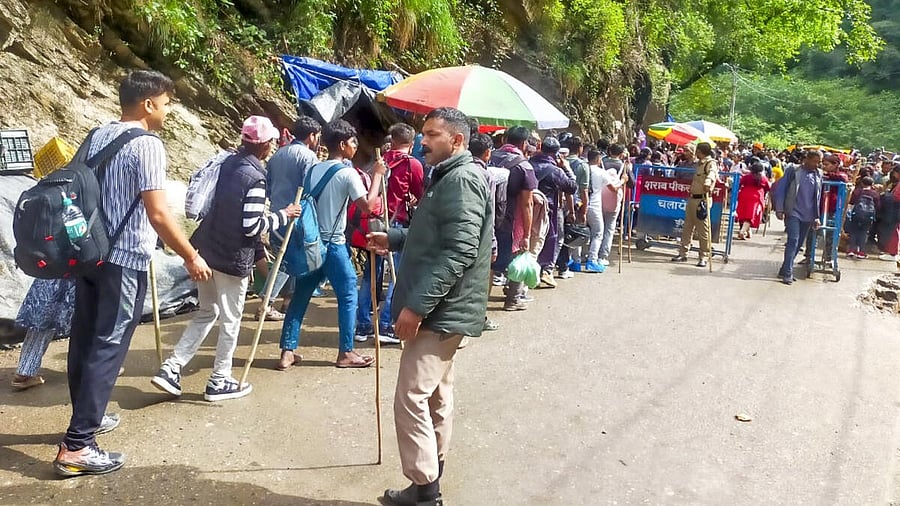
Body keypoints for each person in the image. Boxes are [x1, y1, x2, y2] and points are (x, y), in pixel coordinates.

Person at [54, 70, 213, 477]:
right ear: (147, 104)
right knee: (109, 344)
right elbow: (158, 213)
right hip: (124, 260)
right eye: (166, 101)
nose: (169, 108)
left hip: (88, 254)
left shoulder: (97, 134)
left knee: (86, 338)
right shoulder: (147, 145)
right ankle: (78, 445)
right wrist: (191, 255)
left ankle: (86, 419)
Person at [366, 107, 493, 506]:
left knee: (410, 398)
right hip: (441, 307)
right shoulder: (446, 177)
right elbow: (434, 234)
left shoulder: (462, 180)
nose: (424, 141)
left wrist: (416, 307)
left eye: (432, 134)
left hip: (440, 310)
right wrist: (396, 238)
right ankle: (429, 477)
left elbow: (459, 250)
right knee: (435, 394)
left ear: (456, 140)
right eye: (424, 133)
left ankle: (425, 492)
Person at [152, 116, 301, 401]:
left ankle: (171, 368)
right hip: (232, 258)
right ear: (265, 144)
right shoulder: (255, 176)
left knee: (207, 312)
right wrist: (284, 216)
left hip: (206, 250)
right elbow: (252, 226)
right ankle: (219, 380)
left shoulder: (228, 162)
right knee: (230, 320)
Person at [278, 119, 384, 369]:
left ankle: (287, 351)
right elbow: (368, 207)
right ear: (342, 144)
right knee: (348, 293)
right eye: (353, 141)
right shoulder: (347, 173)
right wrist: (377, 176)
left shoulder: (313, 169)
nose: (355, 146)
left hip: (311, 243)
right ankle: (346, 352)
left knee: (300, 296)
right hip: (334, 245)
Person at [356, 123, 425, 344]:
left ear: (392, 140)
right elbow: (419, 194)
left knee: (370, 276)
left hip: (374, 222)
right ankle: (386, 325)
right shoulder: (412, 164)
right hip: (398, 225)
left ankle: (363, 325)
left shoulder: (379, 161)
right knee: (397, 275)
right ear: (411, 143)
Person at [259, 115, 322, 322]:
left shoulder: (278, 154)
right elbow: (311, 189)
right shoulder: (308, 157)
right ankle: (266, 303)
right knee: (285, 262)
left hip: (276, 213)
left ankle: (287, 300)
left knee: (289, 258)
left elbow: (267, 186)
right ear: (312, 136)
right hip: (295, 215)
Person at [490, 126, 537, 311]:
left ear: (504, 140)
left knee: (488, 262)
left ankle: (478, 308)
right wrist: (526, 233)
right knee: (517, 255)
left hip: (487, 216)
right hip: (511, 220)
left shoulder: (488, 156)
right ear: (525, 144)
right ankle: (513, 299)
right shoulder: (524, 166)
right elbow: (527, 203)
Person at [11, 279, 75, 390]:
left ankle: (25, 369)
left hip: (54, 268)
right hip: (86, 270)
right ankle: (95, 367)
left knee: (45, 313)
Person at [530, 136, 577, 283]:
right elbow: (572, 187)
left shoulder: (527, 164)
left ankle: (529, 271)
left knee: (529, 239)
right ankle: (546, 270)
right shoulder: (556, 170)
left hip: (527, 207)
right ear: (556, 153)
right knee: (554, 238)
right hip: (549, 210)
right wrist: (567, 168)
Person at [773, 150, 823, 285]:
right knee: (793, 240)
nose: (817, 165)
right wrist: (779, 208)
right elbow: (781, 189)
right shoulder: (793, 171)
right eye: (815, 161)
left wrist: (817, 217)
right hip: (793, 212)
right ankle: (788, 273)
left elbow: (818, 198)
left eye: (819, 162)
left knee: (799, 243)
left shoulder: (818, 174)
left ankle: (784, 268)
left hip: (809, 215)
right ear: (807, 159)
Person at [672, 143, 718, 267]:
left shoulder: (710, 163)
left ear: (700, 151)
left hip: (702, 200)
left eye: (697, 150)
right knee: (687, 227)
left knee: (703, 231)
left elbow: (712, 174)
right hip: (692, 199)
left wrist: (708, 183)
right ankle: (683, 253)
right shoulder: (698, 163)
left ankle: (703, 256)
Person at [735, 160, 771, 240]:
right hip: (756, 198)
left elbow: (739, 184)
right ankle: (742, 231)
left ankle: (748, 231)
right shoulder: (763, 179)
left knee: (744, 214)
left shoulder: (747, 177)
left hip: (744, 196)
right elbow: (769, 188)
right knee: (751, 216)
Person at [846, 176, 880, 258]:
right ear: (872, 184)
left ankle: (851, 250)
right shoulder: (875, 194)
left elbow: (851, 203)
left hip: (856, 214)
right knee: (864, 233)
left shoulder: (857, 191)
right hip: (868, 217)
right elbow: (878, 206)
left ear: (862, 183)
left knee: (853, 232)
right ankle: (861, 252)